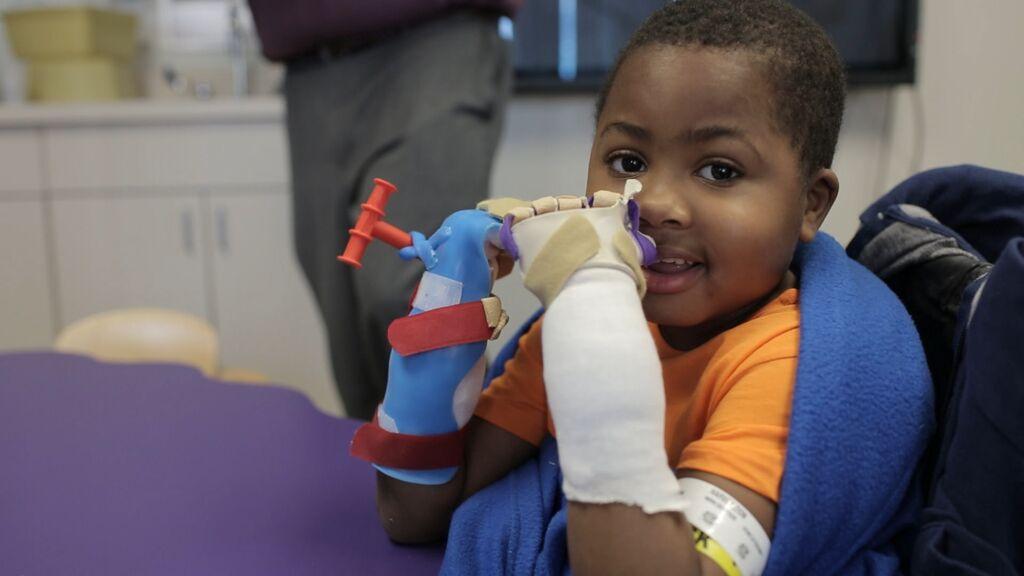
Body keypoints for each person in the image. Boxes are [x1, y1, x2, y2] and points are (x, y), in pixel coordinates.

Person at [359, 1, 897, 573]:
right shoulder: (587, 329)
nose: (654, 202)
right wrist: (444, 317)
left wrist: (593, 332)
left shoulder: (782, 368)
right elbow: (412, 515)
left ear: (809, 204)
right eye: (627, 159)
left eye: (720, 170)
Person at [246, 1, 522, 420]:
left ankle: (476, 467)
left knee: (414, 296)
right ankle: (393, 472)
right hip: (309, 65)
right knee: (348, 333)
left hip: (433, 39)